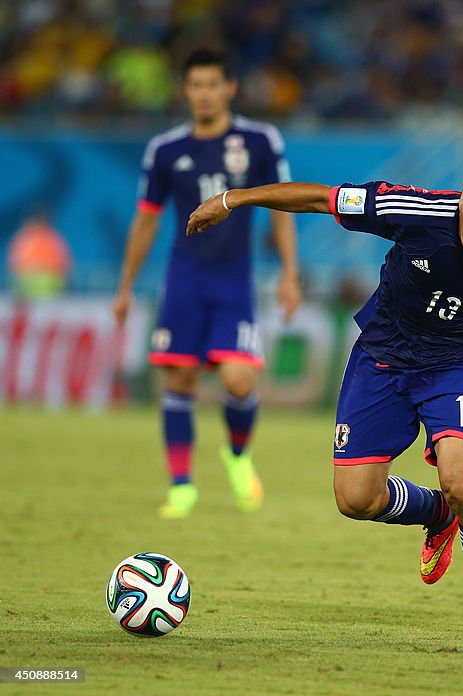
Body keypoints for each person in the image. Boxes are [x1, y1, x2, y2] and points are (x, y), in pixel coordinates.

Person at [185, 142, 463, 641]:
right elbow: (321, 199)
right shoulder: (414, 209)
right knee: (356, 500)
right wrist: (232, 200)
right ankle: (436, 513)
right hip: (381, 358)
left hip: (454, 368)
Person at [112, 48, 302, 519]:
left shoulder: (259, 140)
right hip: (184, 281)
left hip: (234, 282)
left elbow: (283, 207)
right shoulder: (166, 149)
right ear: (185, 90)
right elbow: (146, 220)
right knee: (179, 379)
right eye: (195, 85)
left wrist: (289, 276)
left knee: (239, 380)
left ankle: (237, 455)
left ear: (230, 88)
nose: (203, 94)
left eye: (212, 84)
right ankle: (181, 486)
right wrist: (125, 286)